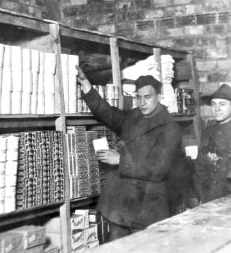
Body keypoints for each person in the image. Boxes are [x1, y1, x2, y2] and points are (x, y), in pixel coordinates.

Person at [76, 65, 182, 241]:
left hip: (146, 207)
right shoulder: (134, 117)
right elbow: (107, 112)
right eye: (138, 97)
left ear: (159, 97)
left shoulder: (170, 128)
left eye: (147, 97)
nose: (142, 103)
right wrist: (86, 85)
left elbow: (158, 168)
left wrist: (120, 160)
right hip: (121, 205)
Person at [194, 84, 231, 204]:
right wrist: (202, 196)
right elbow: (199, 169)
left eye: (222, 104)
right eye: (214, 104)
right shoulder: (208, 132)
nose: (217, 109)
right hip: (209, 198)